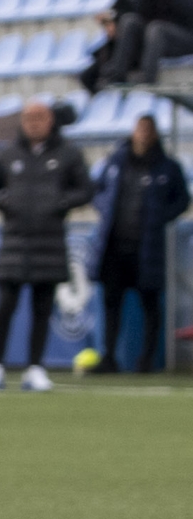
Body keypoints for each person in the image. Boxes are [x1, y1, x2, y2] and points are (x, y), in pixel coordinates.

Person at [0, 100, 92, 392]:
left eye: (40, 117)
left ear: (51, 120)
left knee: (43, 308)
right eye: (29, 117)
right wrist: (4, 201)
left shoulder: (68, 153)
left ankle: (35, 367)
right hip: (14, 240)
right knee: (6, 306)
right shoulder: (8, 154)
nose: (34, 122)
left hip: (50, 240)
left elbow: (86, 190)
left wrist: (61, 202)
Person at [89, 115, 189, 372]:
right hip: (115, 246)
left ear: (154, 133)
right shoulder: (116, 162)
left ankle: (147, 359)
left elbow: (182, 200)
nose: (143, 134)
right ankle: (108, 357)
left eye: (148, 129)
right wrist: (105, 209)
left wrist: (160, 217)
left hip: (148, 248)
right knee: (112, 303)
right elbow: (98, 191)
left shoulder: (167, 167)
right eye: (140, 128)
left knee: (150, 303)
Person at [108, 0, 193, 85]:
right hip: (155, 41)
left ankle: (147, 78)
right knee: (129, 20)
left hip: (183, 38)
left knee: (156, 28)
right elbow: (140, 14)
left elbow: (189, 12)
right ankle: (118, 74)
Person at [84, 0, 148, 94]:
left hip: (137, 40)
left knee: (128, 23)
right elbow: (117, 9)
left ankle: (117, 71)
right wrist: (108, 20)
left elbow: (142, 15)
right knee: (87, 76)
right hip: (119, 40)